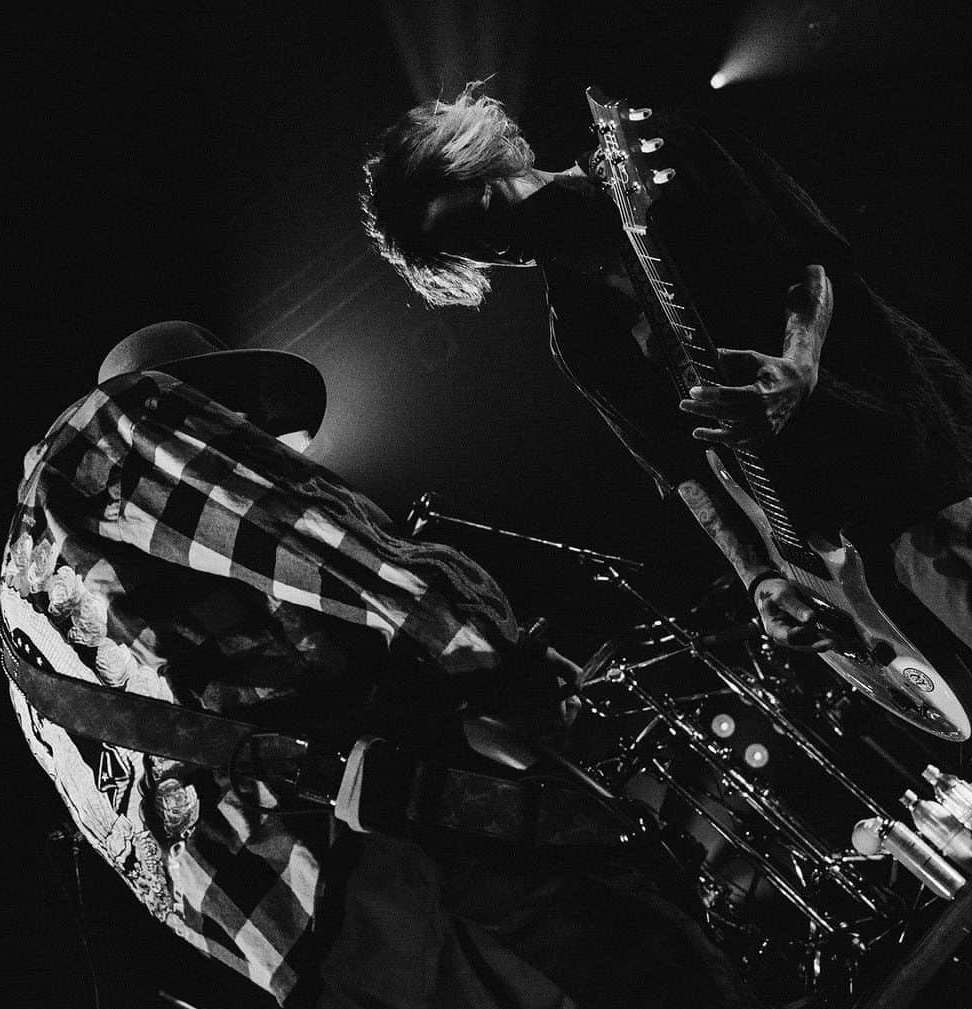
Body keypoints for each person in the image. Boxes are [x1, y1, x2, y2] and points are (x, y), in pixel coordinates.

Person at [0, 319, 857, 1009]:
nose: (268, 445)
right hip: (372, 853)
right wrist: (493, 650)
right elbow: (342, 553)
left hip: (304, 948)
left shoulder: (20, 607)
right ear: (205, 402)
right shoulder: (122, 421)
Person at [361, 81, 972, 667]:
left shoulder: (658, 158)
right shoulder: (578, 335)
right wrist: (758, 576)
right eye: (464, 248)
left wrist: (801, 364)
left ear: (478, 160)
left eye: (478, 215)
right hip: (850, 544)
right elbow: (682, 471)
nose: (493, 245)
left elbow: (812, 256)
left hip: (912, 442)